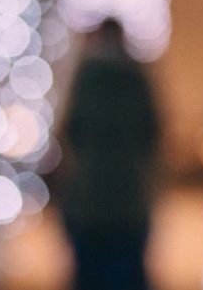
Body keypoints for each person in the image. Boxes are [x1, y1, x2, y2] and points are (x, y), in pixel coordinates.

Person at [55, 18, 161, 290]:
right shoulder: (133, 78)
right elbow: (151, 133)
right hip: (124, 200)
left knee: (93, 273)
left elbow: (71, 131)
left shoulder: (88, 78)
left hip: (97, 200)